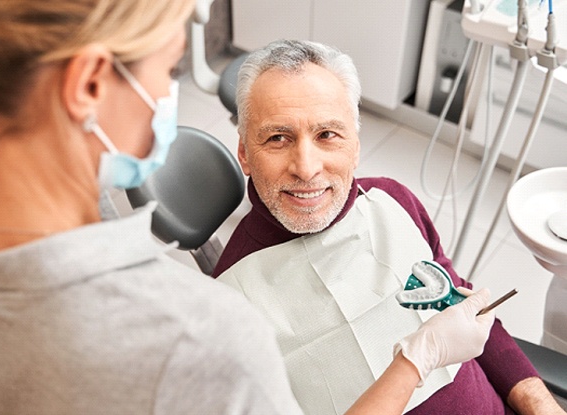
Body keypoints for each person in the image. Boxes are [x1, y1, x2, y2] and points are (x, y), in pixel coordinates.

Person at [0, 1, 494, 413]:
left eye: (329, 134)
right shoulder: (203, 334)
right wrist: (416, 361)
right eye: (171, 68)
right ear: (88, 84)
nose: (168, 96)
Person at [213, 39, 566, 414]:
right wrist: (416, 360)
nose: (306, 167)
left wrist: (539, 402)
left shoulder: (393, 201)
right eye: (278, 138)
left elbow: (463, 303)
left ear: (356, 145)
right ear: (245, 154)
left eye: (327, 135)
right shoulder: (226, 305)